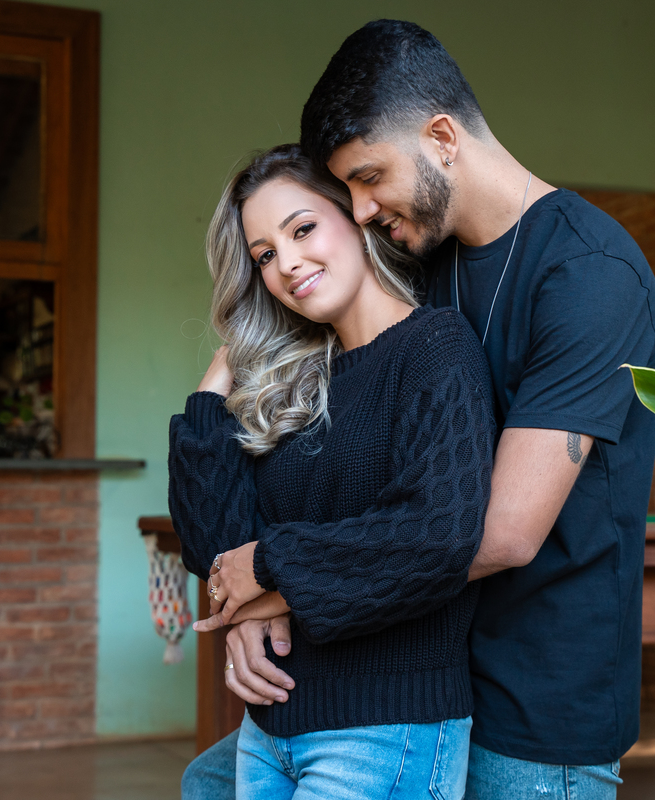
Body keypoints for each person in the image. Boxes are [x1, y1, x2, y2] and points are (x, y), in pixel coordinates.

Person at [183, 20, 655, 800]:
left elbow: (498, 533)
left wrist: (268, 588)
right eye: (346, 192)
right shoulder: (418, 257)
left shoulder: (590, 275)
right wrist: (247, 603)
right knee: (206, 784)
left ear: (442, 137)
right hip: (399, 673)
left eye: (370, 178)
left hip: (534, 706)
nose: (361, 210)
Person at [169, 143, 495, 800]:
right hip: (270, 729)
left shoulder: (436, 346)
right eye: (264, 255)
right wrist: (216, 383)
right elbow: (215, 552)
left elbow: (436, 536)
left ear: (356, 215)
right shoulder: (294, 383)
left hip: (386, 730)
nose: (287, 263)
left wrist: (269, 566)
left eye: (302, 229)